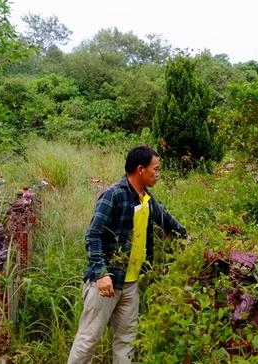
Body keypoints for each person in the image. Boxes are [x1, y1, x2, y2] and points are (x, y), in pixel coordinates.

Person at [68, 146, 188, 364]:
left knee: (126, 342)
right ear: (141, 169)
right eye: (156, 169)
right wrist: (101, 272)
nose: (158, 174)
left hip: (131, 283)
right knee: (88, 339)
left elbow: (168, 220)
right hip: (106, 283)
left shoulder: (146, 199)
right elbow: (93, 234)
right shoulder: (114, 195)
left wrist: (187, 238)